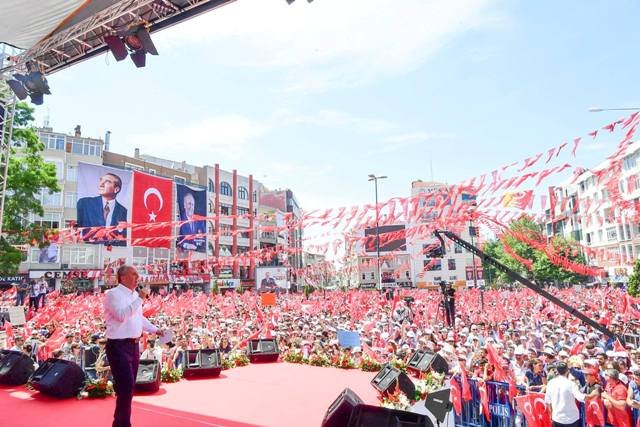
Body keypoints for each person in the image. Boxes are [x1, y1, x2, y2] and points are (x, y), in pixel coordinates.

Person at [103, 265, 163, 427]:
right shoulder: (112, 294)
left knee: (128, 388)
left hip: (133, 346)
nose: (138, 277)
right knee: (126, 386)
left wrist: (156, 330)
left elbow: (139, 319)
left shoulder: (135, 295)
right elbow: (122, 316)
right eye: (134, 274)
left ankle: (121, 422)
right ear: (122, 277)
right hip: (118, 346)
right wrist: (140, 299)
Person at [77, 172, 128, 245]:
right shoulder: (84, 203)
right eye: (101, 180)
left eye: (107, 182)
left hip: (111, 253)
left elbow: (123, 239)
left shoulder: (124, 212)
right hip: (89, 251)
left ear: (116, 189)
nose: (101, 184)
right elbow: (74, 229)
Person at [545, 361, 598, 427]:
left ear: (557, 371)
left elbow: (548, 401)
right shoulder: (571, 384)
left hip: (557, 418)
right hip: (571, 419)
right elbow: (581, 398)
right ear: (567, 371)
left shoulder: (550, 383)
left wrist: (551, 415)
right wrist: (593, 394)